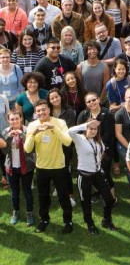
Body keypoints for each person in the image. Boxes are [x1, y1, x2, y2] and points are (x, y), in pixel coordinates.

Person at [24, 100, 73, 233]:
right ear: (35, 112)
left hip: (59, 166)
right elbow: (27, 149)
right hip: (41, 167)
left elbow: (68, 142)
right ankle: (44, 219)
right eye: (38, 110)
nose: (41, 113)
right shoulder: (32, 125)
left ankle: (68, 221)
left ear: (49, 110)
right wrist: (33, 133)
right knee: (43, 196)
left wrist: (53, 128)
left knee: (63, 196)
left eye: (44, 110)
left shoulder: (59, 123)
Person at [67, 119, 116, 235]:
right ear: (86, 129)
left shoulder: (98, 141)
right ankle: (90, 224)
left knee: (109, 199)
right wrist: (86, 124)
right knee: (86, 202)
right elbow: (70, 131)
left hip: (97, 174)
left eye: (95, 129)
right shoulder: (79, 139)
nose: (93, 131)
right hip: (84, 175)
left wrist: (99, 167)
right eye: (91, 129)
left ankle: (106, 220)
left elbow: (99, 154)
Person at [0, 110, 36, 226]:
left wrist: (22, 135)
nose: (14, 121)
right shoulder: (5, 132)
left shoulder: (27, 130)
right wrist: (9, 138)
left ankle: (30, 214)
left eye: (16, 118)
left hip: (26, 166)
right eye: (12, 119)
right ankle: (16, 213)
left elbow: (30, 149)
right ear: (8, 120)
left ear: (21, 118)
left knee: (27, 192)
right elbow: (4, 151)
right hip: (11, 167)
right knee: (14, 192)